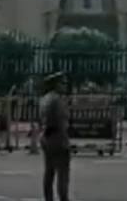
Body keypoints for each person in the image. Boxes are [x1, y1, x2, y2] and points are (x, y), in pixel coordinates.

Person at [39, 72, 70, 201]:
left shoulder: (44, 99)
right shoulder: (57, 100)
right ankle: (63, 197)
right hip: (58, 137)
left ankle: (48, 198)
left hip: (46, 136)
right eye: (63, 83)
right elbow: (60, 119)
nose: (65, 85)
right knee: (63, 173)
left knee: (49, 171)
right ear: (56, 84)